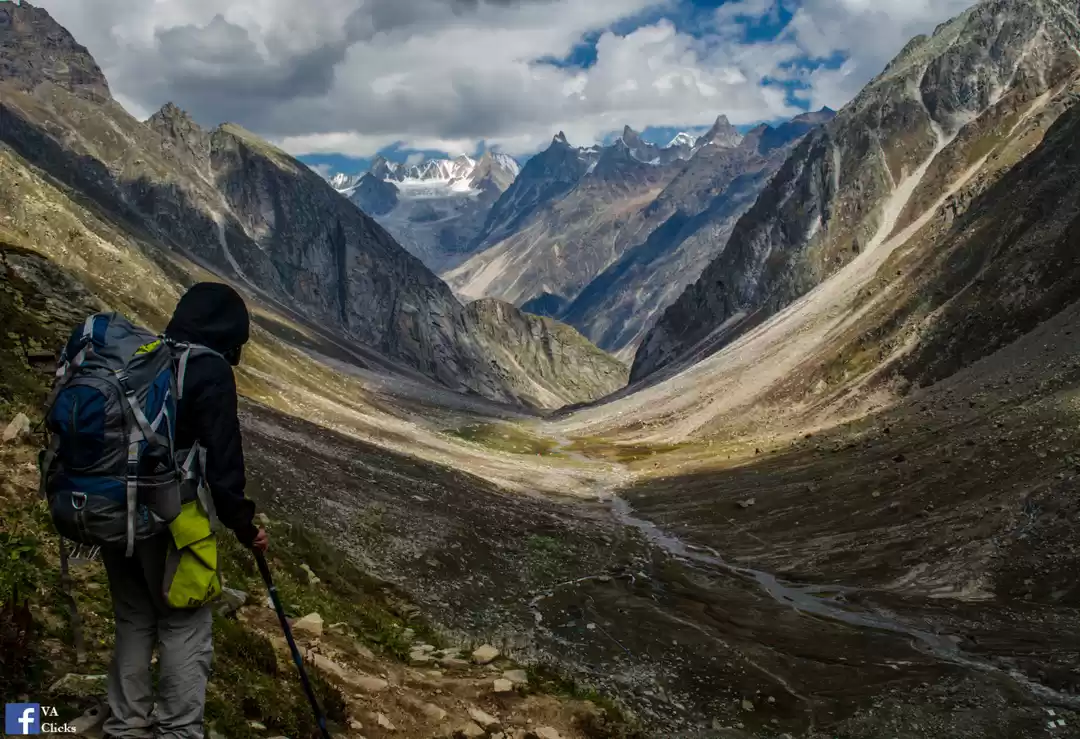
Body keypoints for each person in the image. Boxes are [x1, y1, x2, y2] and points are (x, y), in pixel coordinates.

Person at [102, 282, 268, 739]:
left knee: (134, 618)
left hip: (114, 507)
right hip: (173, 518)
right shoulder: (208, 370)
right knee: (184, 621)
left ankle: (125, 726)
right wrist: (243, 524)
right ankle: (178, 731)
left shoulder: (148, 356)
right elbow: (223, 461)